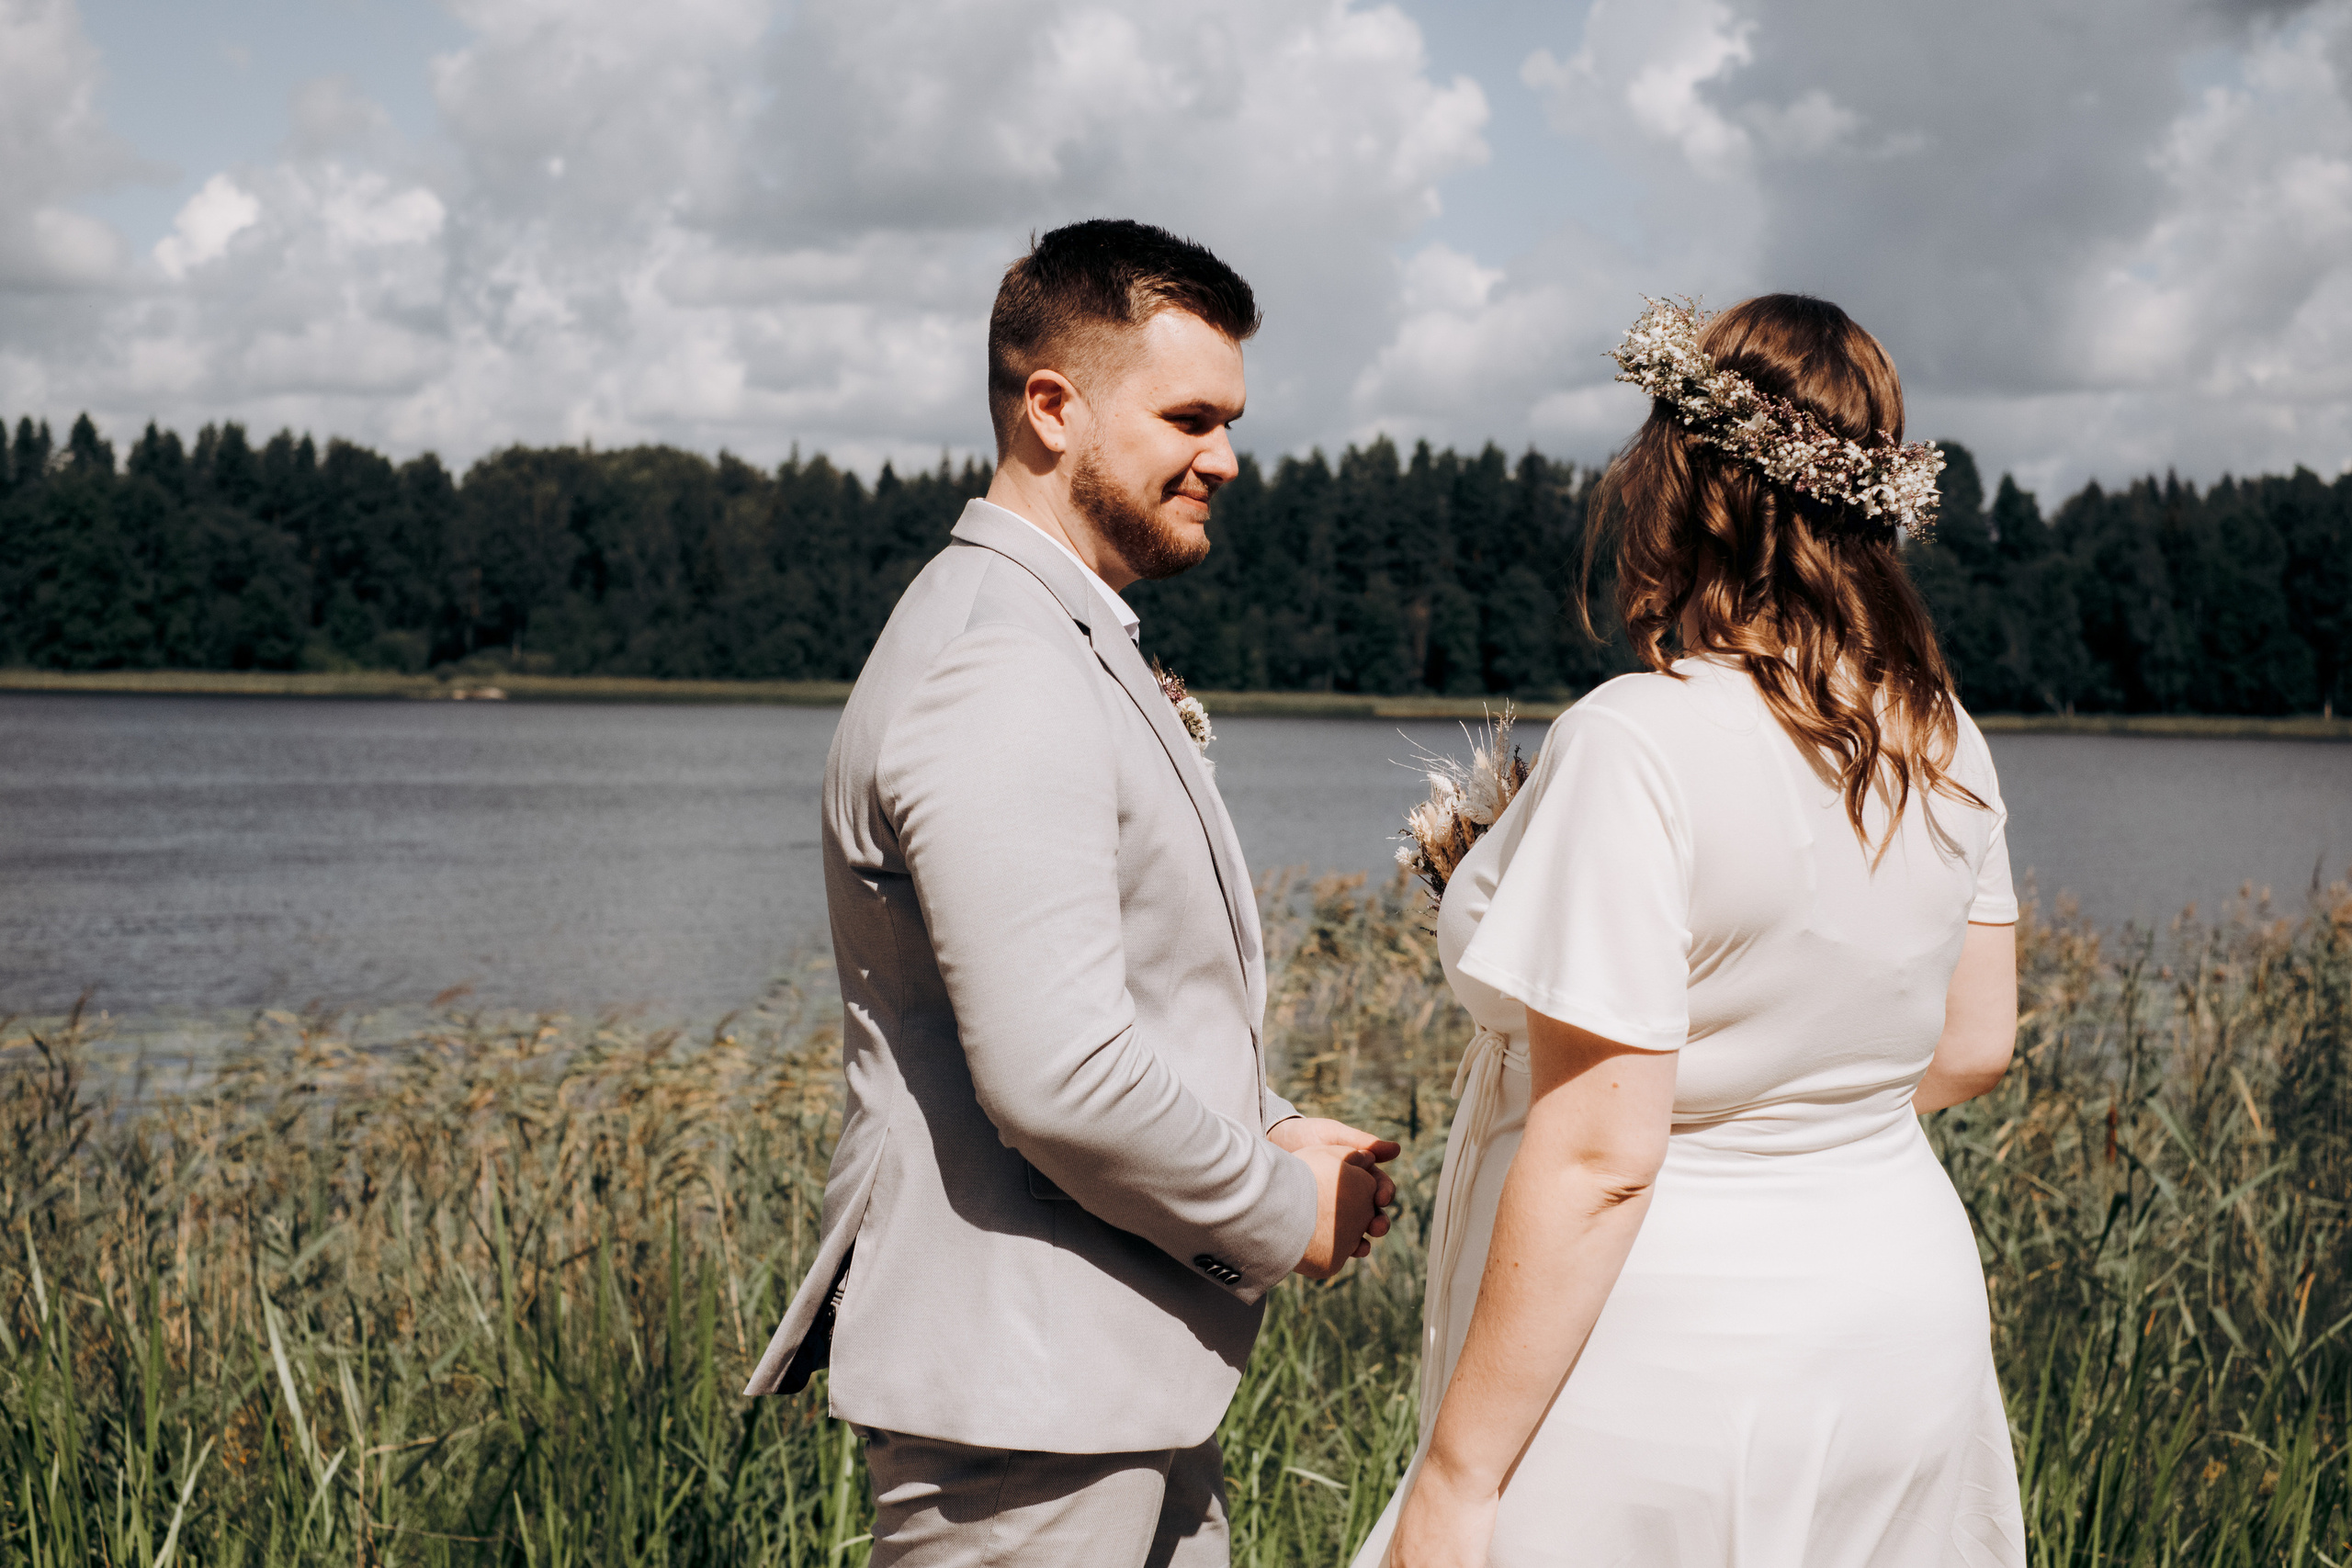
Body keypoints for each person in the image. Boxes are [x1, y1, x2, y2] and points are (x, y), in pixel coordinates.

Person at [742, 218, 1398, 1568]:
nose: (1225, 458)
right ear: (1052, 406)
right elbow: (1059, 1074)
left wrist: (1269, 1127)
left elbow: (1109, 1007)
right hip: (1025, 1420)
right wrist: (1284, 1217)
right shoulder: (1001, 666)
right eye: (1190, 418)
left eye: (1229, 420)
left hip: (1098, 1390)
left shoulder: (1051, 636)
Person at [1356, 294, 2029, 1567]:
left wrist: (1457, 1474)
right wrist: (1804, 1117)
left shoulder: (1636, 741)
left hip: (1676, 1356)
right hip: (1904, 1321)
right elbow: (1975, 1042)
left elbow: (1603, 1156)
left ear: (1682, 484)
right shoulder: (1944, 735)